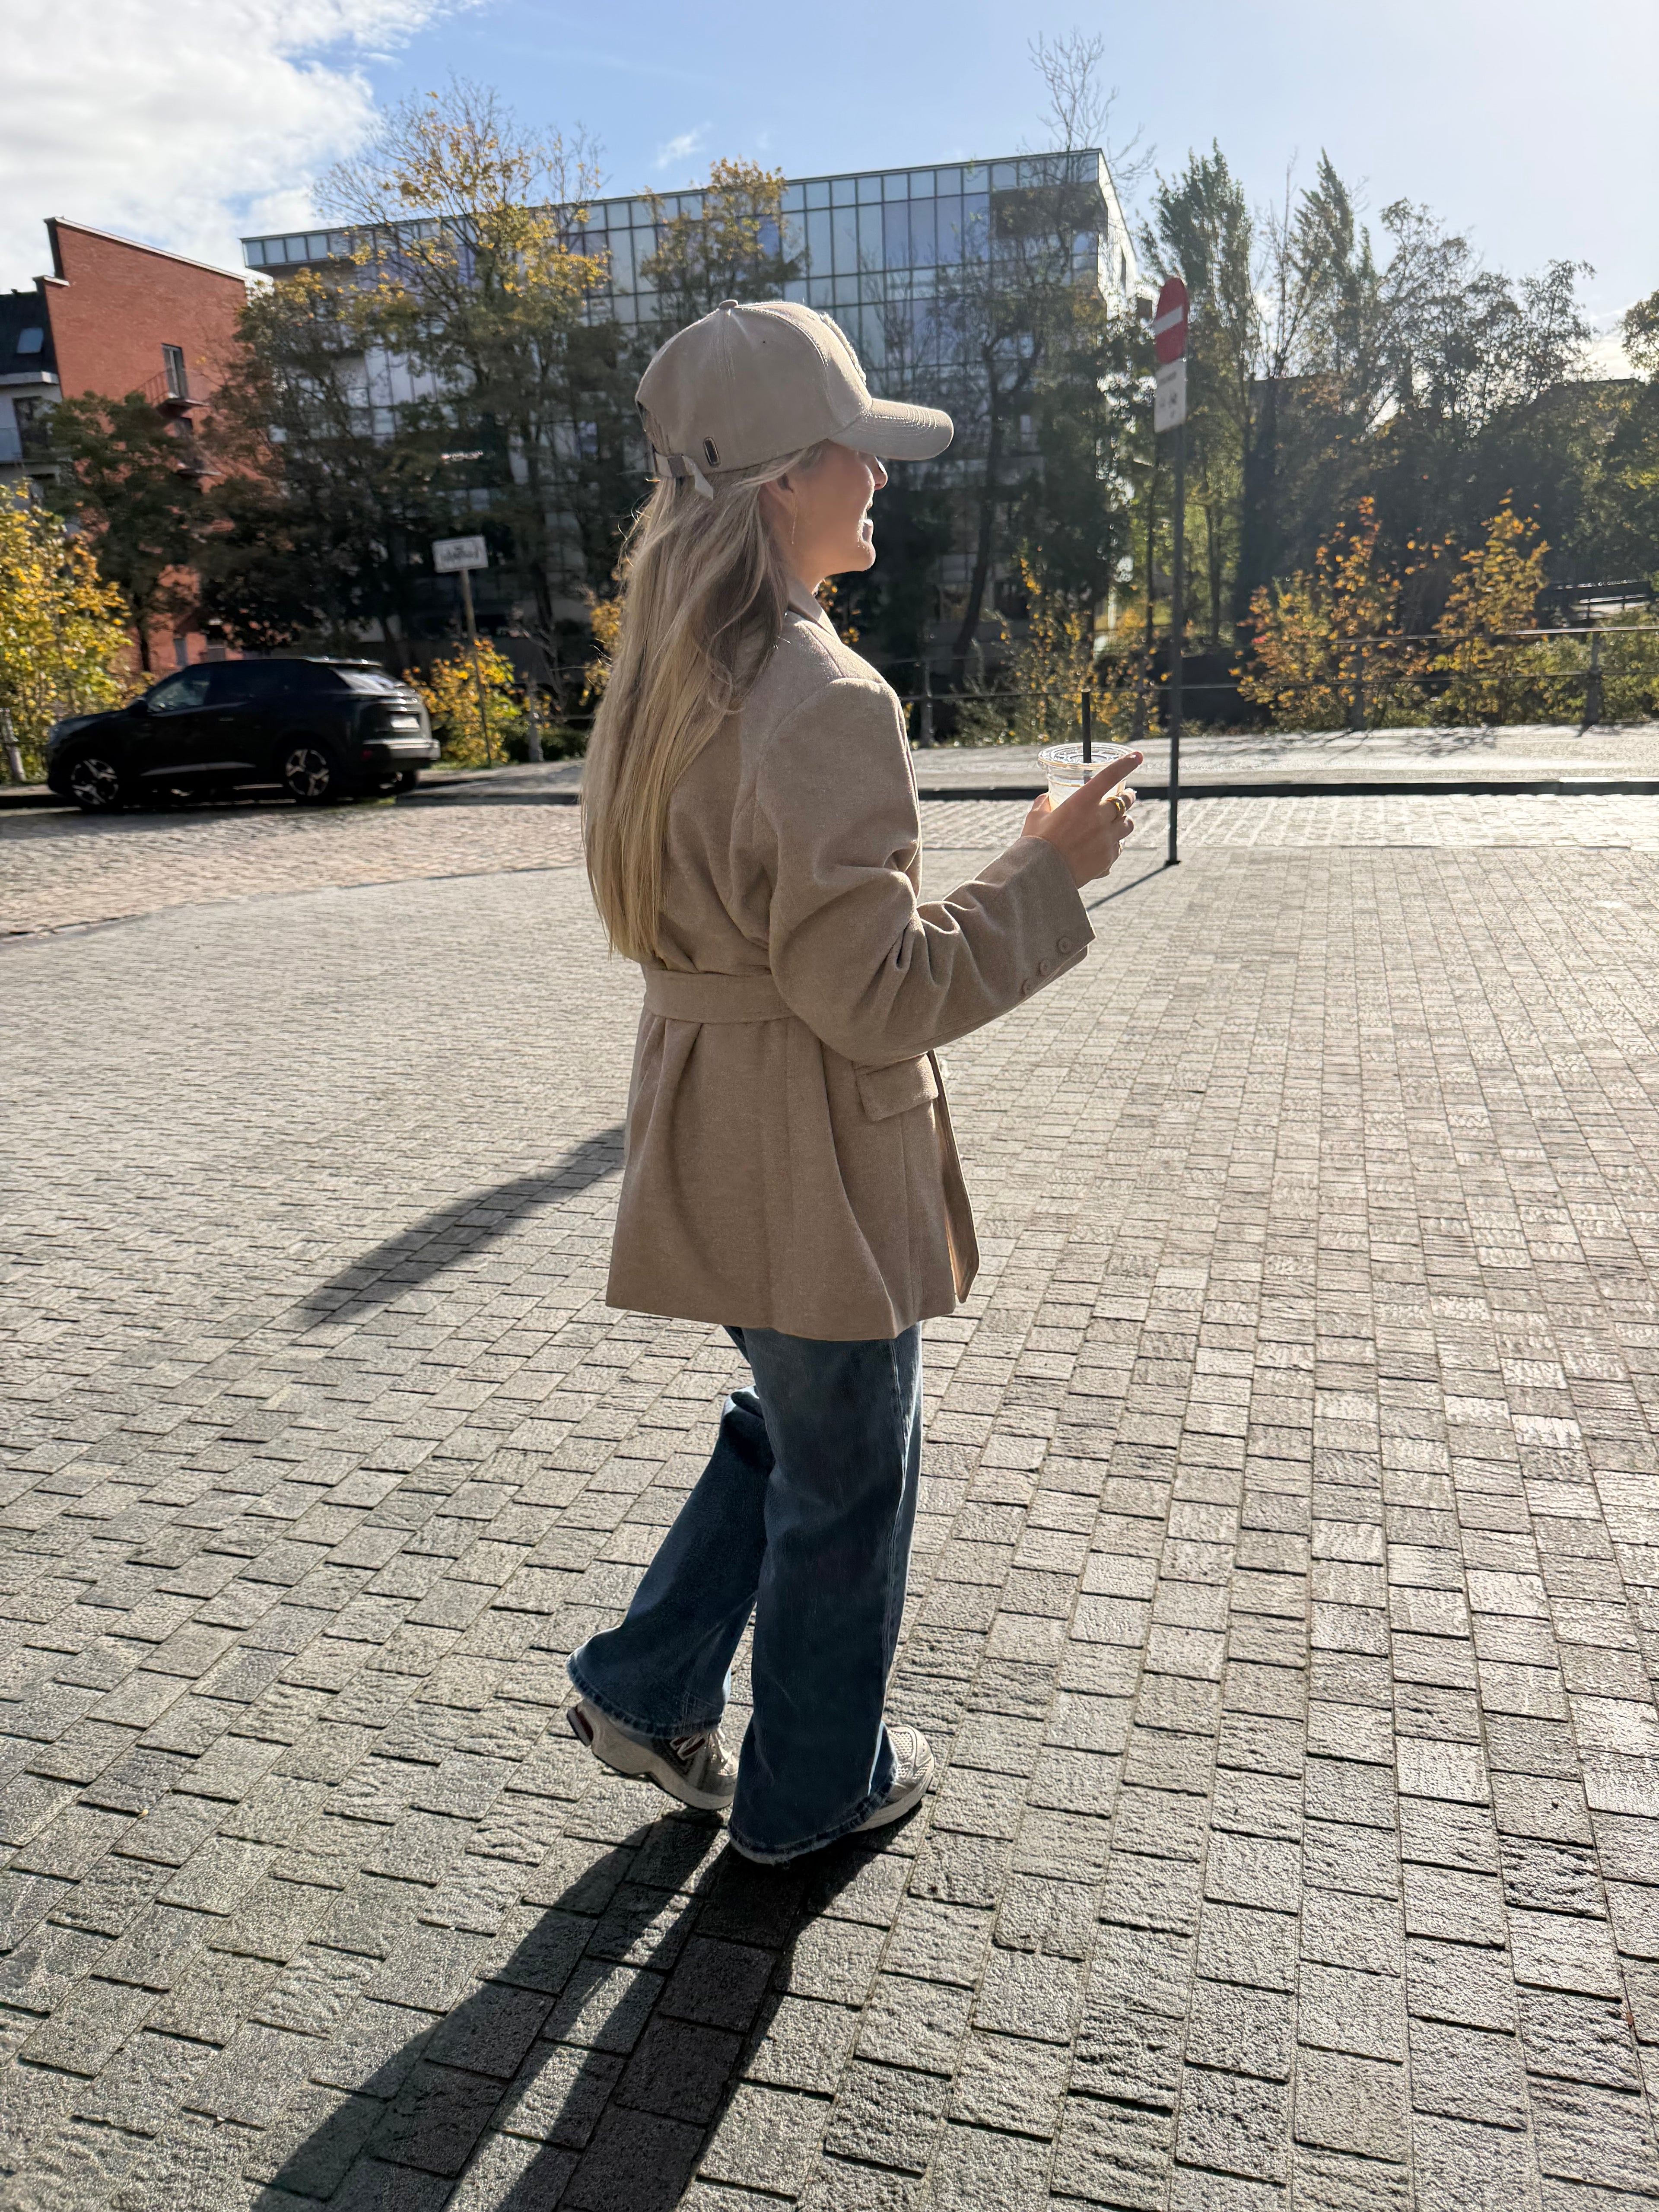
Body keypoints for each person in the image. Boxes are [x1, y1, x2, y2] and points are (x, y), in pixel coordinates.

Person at [567, 299, 1139, 1865]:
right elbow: (872, 996)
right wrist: (1045, 868)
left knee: (801, 1429)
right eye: (859, 457)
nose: (878, 483)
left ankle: (645, 1684)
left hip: (714, 1123)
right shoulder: (824, 694)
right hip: (813, 1145)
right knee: (849, 1479)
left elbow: (772, 943)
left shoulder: (667, 674)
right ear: (781, 484)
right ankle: (813, 1784)